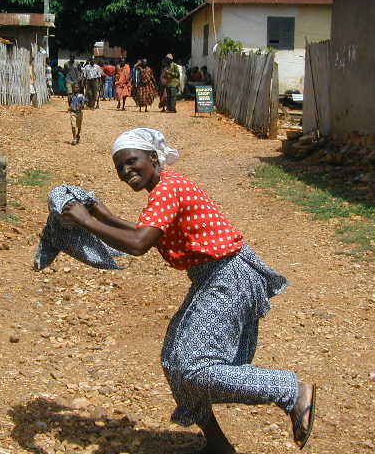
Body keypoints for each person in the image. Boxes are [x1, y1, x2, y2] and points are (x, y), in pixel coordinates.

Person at [62, 128, 317, 454]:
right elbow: (148, 232)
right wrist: (104, 216)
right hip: (216, 276)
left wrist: (85, 220)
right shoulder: (165, 189)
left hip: (228, 275)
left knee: (194, 366)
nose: (127, 172)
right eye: (120, 169)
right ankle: (217, 445)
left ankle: (290, 392)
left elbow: (139, 243)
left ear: (153, 158)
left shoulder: (167, 188)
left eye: (132, 162)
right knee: (174, 362)